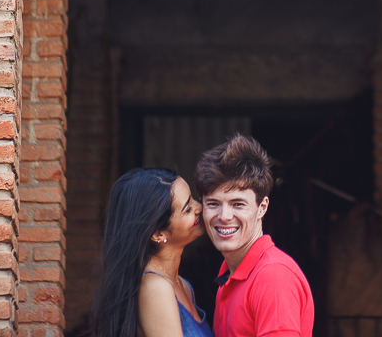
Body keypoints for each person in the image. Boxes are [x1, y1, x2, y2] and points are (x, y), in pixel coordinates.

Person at [196, 135, 314, 337]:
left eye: (238, 204)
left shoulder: (273, 276)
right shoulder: (230, 274)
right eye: (213, 204)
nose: (224, 217)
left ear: (262, 208)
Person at [91, 168, 214, 337]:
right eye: (187, 209)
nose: (199, 207)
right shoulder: (156, 288)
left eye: (193, 198)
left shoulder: (183, 285)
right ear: (158, 234)